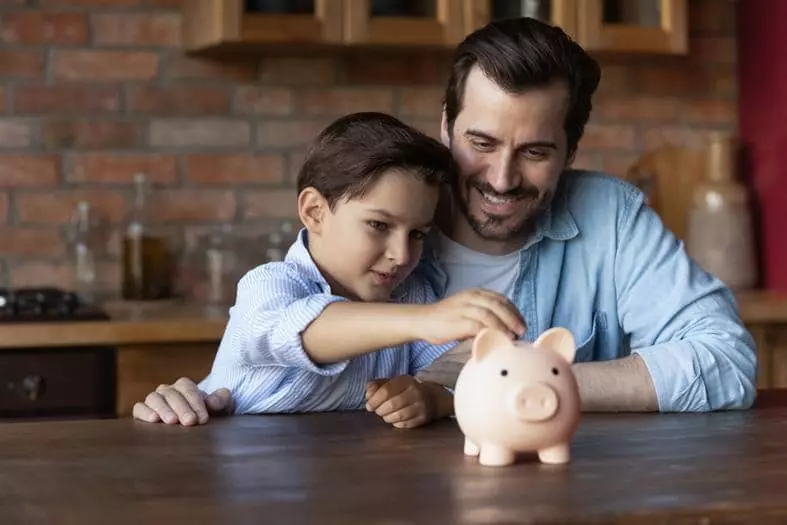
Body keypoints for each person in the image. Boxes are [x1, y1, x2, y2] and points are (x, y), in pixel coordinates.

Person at [135, 17, 757, 424]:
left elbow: (725, 362)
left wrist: (534, 383)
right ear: (445, 125)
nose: (502, 178)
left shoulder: (611, 217)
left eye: (535, 152)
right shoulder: (386, 277)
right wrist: (191, 404)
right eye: (481, 143)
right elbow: (284, 330)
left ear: (570, 151)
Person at [134, 111, 525, 428]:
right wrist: (427, 320)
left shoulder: (410, 295)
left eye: (418, 234)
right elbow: (303, 329)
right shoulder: (269, 284)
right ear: (314, 212)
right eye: (379, 225)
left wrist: (432, 398)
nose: (402, 254)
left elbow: (469, 370)